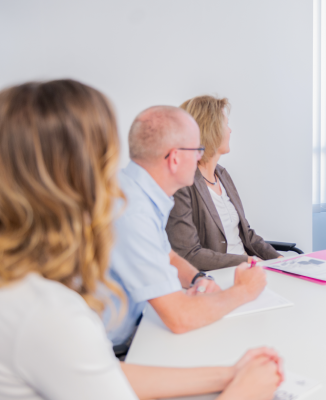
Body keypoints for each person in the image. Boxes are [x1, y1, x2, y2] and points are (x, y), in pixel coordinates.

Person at [0, 79, 282, 400]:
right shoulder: (50, 312)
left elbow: (101, 374)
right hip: (124, 341)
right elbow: (173, 319)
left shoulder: (28, 289)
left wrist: (230, 375)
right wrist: (245, 391)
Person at [105, 104, 270, 351]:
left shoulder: (135, 191)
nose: (200, 157)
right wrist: (244, 291)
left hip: (135, 326)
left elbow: (167, 254)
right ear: (175, 158)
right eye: (197, 150)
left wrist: (197, 278)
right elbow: (179, 318)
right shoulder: (133, 212)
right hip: (114, 343)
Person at [166, 95, 281, 270]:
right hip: (220, 275)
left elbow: (246, 234)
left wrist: (280, 260)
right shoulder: (182, 184)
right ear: (211, 129)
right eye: (226, 124)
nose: (230, 131)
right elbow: (188, 253)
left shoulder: (222, 175)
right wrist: (247, 262)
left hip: (248, 269)